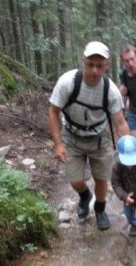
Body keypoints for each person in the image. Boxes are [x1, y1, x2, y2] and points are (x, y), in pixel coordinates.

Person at [48, 41, 130, 230]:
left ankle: (100, 209)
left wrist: (129, 150)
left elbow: (120, 122)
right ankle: (85, 196)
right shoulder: (67, 82)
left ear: (106, 66)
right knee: (76, 181)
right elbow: (53, 112)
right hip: (72, 137)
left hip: (100, 138)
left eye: (99, 66)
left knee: (102, 179)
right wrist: (58, 144)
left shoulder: (111, 91)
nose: (94, 71)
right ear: (83, 61)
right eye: (90, 65)